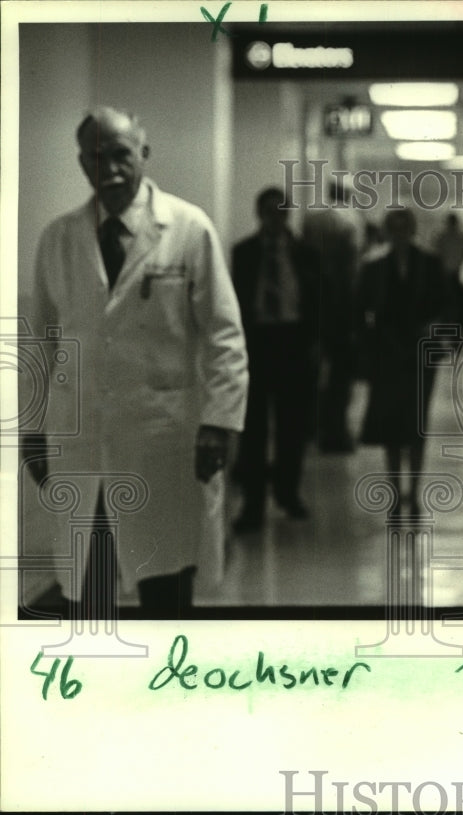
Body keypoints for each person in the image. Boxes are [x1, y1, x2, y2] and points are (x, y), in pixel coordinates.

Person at [20, 106, 248, 618]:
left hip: (164, 437)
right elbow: (41, 340)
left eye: (121, 155)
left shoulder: (189, 229)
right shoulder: (59, 238)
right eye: (95, 157)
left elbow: (224, 334)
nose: (109, 169)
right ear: (82, 163)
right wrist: (32, 428)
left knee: (165, 580)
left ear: (143, 154)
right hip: (81, 439)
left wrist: (219, 423)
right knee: (89, 585)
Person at [231, 187, 321, 533]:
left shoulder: (306, 254)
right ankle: (253, 502)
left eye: (281, 211)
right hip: (256, 344)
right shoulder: (245, 253)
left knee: (291, 425)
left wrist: (316, 345)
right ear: (259, 214)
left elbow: (318, 302)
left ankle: (288, 492)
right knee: (253, 427)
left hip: (293, 341)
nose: (275, 218)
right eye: (268, 211)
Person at [357, 208, 451, 516]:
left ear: (411, 230)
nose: (399, 235)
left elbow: (443, 304)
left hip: (420, 353)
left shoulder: (429, 264)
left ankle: (414, 488)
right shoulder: (375, 268)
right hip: (388, 353)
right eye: (394, 229)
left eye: (404, 228)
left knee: (416, 423)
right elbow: (361, 309)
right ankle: (396, 488)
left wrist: (435, 330)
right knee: (391, 425)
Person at [301, 179, 365, 453]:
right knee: (341, 374)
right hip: (341, 305)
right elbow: (352, 267)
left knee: (311, 371)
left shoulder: (312, 219)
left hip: (313, 302)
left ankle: (310, 427)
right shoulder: (352, 221)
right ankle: (335, 430)